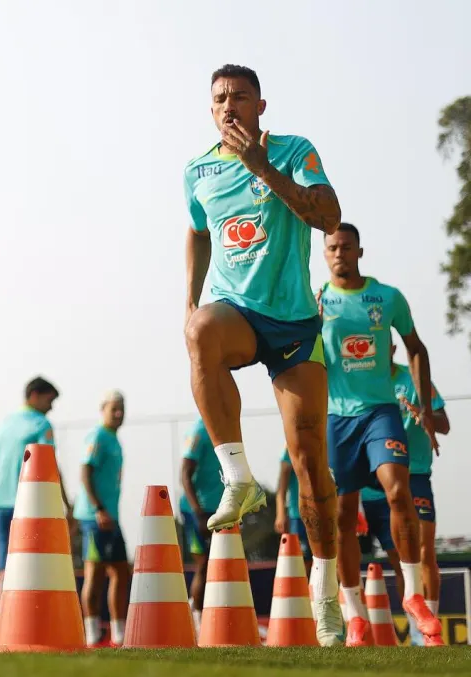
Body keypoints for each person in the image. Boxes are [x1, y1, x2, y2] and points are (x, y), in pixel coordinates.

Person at [181, 63, 344, 645]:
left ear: (260, 106)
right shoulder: (196, 170)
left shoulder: (294, 149)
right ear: (211, 108)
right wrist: (190, 299)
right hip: (237, 314)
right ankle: (237, 476)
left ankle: (324, 596)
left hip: (296, 325)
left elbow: (328, 216)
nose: (230, 105)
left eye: (240, 97)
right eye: (220, 98)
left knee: (309, 464)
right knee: (199, 330)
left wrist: (262, 169)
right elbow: (198, 231)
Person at [319, 223, 442, 646]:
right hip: (336, 420)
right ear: (325, 252)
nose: (339, 253)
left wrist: (424, 407)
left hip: (381, 413)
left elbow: (417, 348)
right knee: (343, 515)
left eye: (346, 247)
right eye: (332, 247)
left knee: (396, 490)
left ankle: (412, 595)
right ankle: (353, 614)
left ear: (359, 252)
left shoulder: (387, 298)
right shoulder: (316, 301)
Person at [0, 376, 72, 611]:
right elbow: (50, 464)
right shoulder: (41, 424)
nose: (51, 407)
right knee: (34, 563)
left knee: (6, 563)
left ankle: (3, 619)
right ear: (34, 395)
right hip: (30, 504)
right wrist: (65, 503)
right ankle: (26, 618)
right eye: (49, 400)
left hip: (2, 500)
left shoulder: (5, 423)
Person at [391, 341, 450, 642]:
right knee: (398, 558)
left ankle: (429, 630)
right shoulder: (359, 383)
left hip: (415, 474)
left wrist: (427, 418)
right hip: (375, 477)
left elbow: (444, 424)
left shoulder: (415, 382)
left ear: (389, 347)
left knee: (425, 551)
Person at [73, 391, 127, 648]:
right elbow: (85, 471)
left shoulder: (114, 440)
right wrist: (98, 508)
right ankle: (91, 632)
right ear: (102, 409)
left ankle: (119, 633)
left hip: (111, 517)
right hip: (94, 517)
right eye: (114, 408)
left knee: (120, 572)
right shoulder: (97, 436)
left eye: (122, 408)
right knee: (94, 573)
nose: (118, 413)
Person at [178, 417, 225, 634]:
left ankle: (214, 621)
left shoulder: (224, 427)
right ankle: (195, 622)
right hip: (198, 511)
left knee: (220, 566)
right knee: (204, 565)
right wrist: (198, 512)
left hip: (220, 509)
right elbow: (185, 474)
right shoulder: (198, 431)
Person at [274, 448, 312, 569]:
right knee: (301, 562)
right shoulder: (290, 449)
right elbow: (281, 489)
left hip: (324, 515)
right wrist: (280, 514)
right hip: (298, 516)